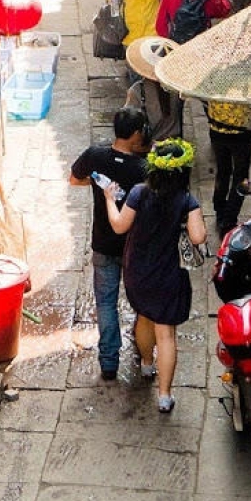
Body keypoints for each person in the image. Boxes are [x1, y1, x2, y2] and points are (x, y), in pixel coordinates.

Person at [102, 137, 206, 413]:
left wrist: (109, 199)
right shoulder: (187, 201)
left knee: (144, 317)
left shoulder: (139, 193)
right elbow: (198, 237)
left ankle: (147, 364)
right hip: (168, 273)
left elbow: (119, 226)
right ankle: (164, 395)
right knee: (166, 333)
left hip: (138, 271)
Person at [69, 107, 150, 380]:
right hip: (134, 247)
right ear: (136, 133)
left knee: (105, 303)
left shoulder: (95, 156)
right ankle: (144, 349)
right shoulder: (142, 169)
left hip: (103, 243)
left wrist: (98, 186)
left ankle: (108, 361)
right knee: (141, 302)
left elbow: (74, 179)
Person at [205, 103, 251, 237]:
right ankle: (229, 220)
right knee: (240, 177)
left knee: (222, 171)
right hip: (241, 135)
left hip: (217, 129)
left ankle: (220, 210)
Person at [125, 35, 183, 141]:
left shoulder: (137, 90)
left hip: (151, 144)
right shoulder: (177, 86)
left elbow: (128, 121)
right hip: (175, 141)